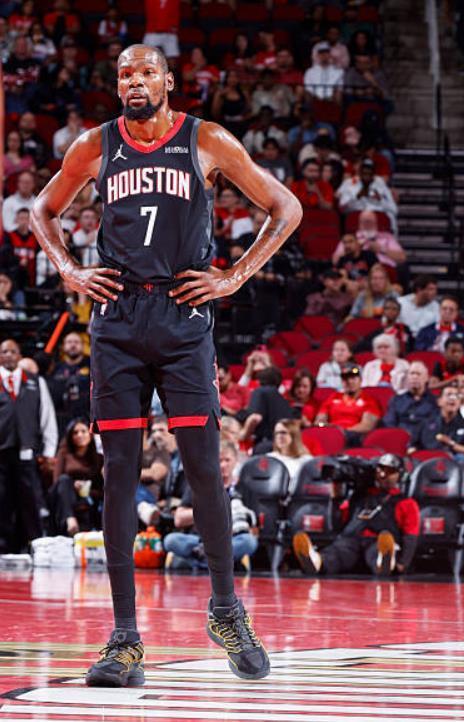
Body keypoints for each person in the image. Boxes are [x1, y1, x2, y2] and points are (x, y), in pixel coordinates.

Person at [30, 45, 302, 686]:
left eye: (146, 72)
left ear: (169, 81)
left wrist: (233, 277)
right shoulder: (94, 145)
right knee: (119, 473)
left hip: (183, 319)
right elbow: (41, 211)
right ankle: (125, 640)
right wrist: (69, 269)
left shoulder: (206, 139)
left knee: (204, 469)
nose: (135, 81)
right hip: (118, 320)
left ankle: (226, 611)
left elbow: (285, 208)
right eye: (125, 74)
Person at [292, 453, 419, 575]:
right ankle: (316, 561)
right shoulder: (358, 497)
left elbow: (410, 536)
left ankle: (384, 562)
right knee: (337, 551)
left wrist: (403, 563)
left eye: (390, 471)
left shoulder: (406, 503)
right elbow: (338, 522)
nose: (383, 474)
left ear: (400, 476)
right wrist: (336, 497)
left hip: (377, 542)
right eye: (380, 469)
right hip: (352, 541)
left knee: (377, 551)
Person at [164, 440, 259, 572]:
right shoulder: (198, 486)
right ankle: (214, 561)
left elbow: (254, 528)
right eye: (219, 461)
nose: (223, 465)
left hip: (230, 540)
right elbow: (179, 520)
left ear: (235, 461)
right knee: (171, 540)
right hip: (199, 540)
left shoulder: (244, 488)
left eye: (227, 460)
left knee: (249, 542)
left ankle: (202, 561)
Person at [0, 338, 58, 553]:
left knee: (30, 501)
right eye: (4, 351)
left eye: (12, 351)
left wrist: (49, 451)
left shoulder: (35, 381)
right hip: (1, 452)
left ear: (20, 355)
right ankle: (3, 547)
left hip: (26, 450)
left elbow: (47, 416)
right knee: (2, 500)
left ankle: (34, 546)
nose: (8, 355)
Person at [50, 417, 103, 535]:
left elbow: (101, 490)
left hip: (88, 498)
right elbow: (57, 482)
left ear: (90, 435)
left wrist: (87, 491)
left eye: (83, 431)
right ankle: (70, 519)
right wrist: (73, 486)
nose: (79, 435)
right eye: (75, 433)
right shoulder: (64, 454)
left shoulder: (98, 459)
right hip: (64, 496)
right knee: (64, 480)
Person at [315, 362, 381, 446]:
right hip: (330, 433)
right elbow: (319, 421)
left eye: (353, 378)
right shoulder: (333, 397)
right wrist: (324, 426)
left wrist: (342, 432)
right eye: (345, 379)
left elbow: (367, 426)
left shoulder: (369, 401)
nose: (349, 381)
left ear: (360, 380)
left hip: (352, 437)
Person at [384, 361, 438, 451]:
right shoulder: (396, 400)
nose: (414, 377)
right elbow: (389, 423)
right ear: (407, 378)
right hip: (400, 442)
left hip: (424, 445)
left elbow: (435, 425)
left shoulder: (435, 401)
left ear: (426, 378)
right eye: (412, 373)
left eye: (418, 374)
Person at [419, 386, 464, 461]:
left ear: (460, 403)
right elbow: (414, 447)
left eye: (456, 396)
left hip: (456, 464)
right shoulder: (425, 424)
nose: (452, 398)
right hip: (428, 462)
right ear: (439, 401)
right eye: (449, 395)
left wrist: (450, 443)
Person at [240, 367, 293, 453]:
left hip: (265, 445)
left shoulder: (260, 392)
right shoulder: (284, 400)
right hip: (284, 445)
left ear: (259, 381)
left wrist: (243, 435)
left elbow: (255, 418)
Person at [267, 419, 313, 485]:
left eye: (283, 433)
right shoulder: (269, 459)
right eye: (276, 433)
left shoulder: (306, 461)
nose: (279, 436)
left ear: (294, 435)